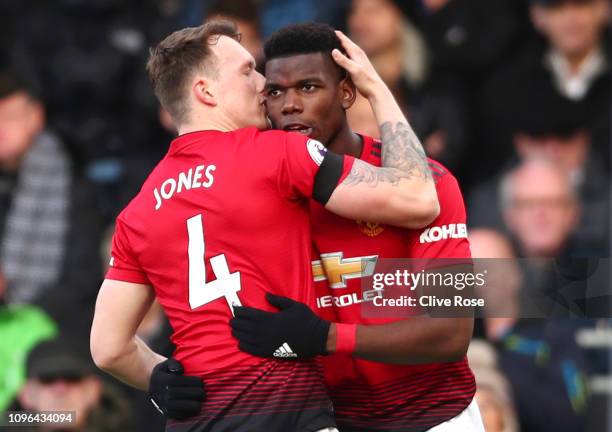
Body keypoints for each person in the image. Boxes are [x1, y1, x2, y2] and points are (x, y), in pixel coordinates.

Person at [90, 20, 439, 432]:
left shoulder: (138, 210)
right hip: (289, 413)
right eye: (246, 71)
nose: (263, 84)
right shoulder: (277, 154)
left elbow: (107, 348)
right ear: (206, 91)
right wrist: (376, 88)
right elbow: (419, 199)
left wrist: (158, 377)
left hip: (200, 420)